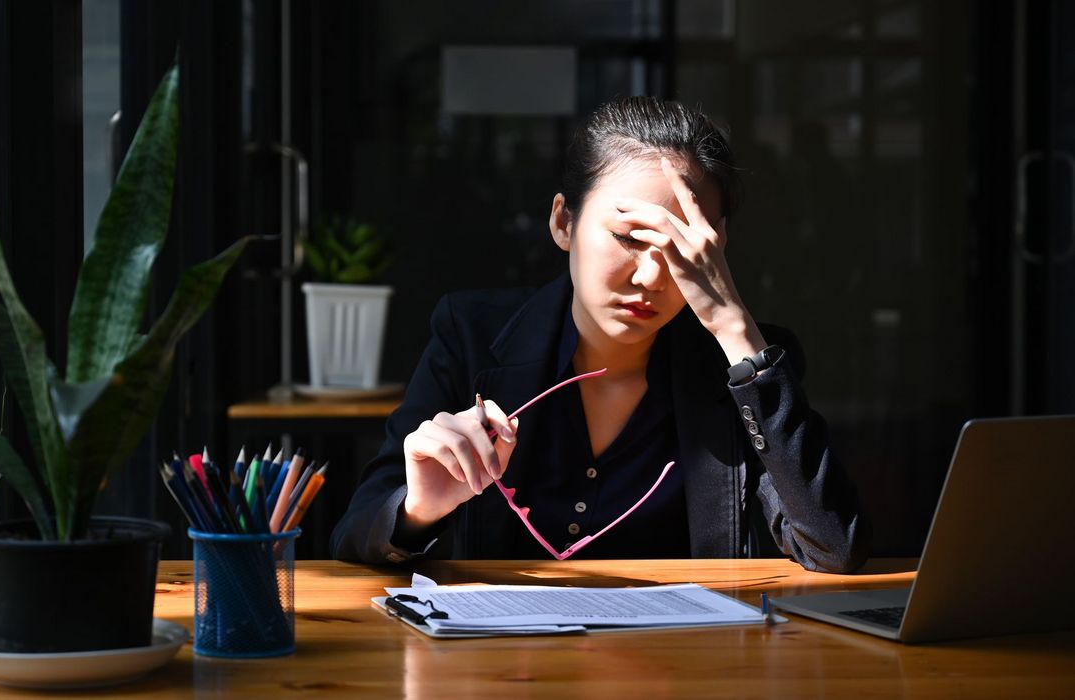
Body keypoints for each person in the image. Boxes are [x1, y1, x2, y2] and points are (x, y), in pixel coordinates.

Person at [331, 97, 870, 573]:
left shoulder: (746, 365)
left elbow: (832, 547)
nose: (652, 277)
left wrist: (733, 327)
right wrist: (420, 510)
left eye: (681, 250)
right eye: (629, 238)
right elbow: (355, 533)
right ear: (563, 223)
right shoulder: (471, 334)